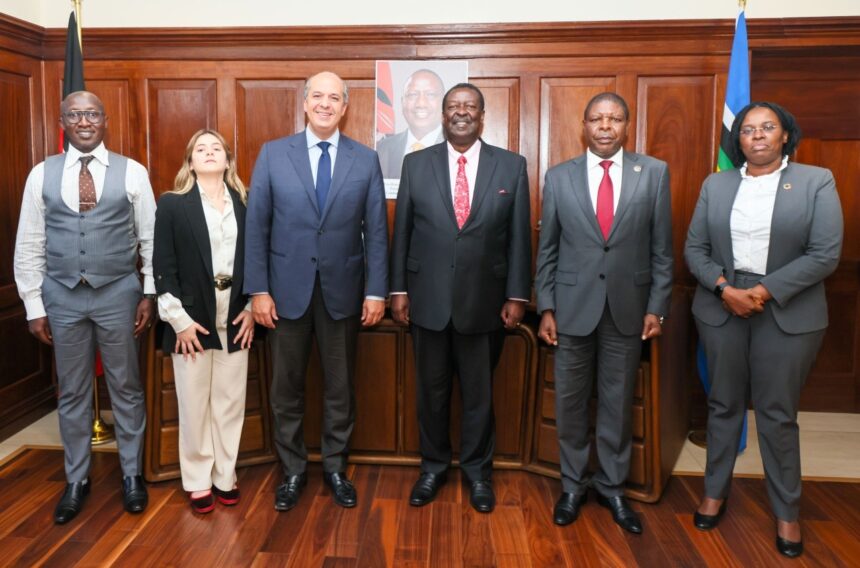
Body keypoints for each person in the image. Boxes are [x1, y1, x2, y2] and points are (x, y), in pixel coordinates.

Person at [685, 101, 842, 558]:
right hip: (721, 307)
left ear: (785, 135)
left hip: (787, 310)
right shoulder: (716, 184)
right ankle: (714, 491)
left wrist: (763, 292)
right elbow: (694, 247)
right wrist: (723, 289)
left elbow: (825, 253)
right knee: (722, 405)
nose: (757, 136)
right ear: (739, 140)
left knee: (777, 413)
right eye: (749, 129)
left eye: (767, 128)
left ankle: (787, 511)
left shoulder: (816, 181)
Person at [245, 71, 389, 512]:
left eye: (335, 98)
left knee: (340, 388)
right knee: (285, 388)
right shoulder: (273, 155)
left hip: (344, 293)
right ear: (305, 104)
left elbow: (378, 232)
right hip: (284, 296)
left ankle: (334, 468)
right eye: (318, 96)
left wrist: (377, 291)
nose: (326, 104)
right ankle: (291, 471)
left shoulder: (365, 160)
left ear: (345, 107)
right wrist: (258, 291)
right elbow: (257, 228)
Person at [13, 90, 155, 524]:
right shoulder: (42, 174)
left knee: (126, 388)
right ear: (63, 122)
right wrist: (34, 305)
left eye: (92, 113)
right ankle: (77, 479)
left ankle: (132, 475)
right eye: (75, 115)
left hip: (118, 293)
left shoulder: (133, 172)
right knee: (72, 391)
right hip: (62, 295)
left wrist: (148, 293)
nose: (84, 121)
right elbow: (29, 244)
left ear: (104, 119)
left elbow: (150, 239)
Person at [535, 92, 673, 533]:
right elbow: (548, 251)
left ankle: (613, 488)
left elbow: (662, 250)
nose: (605, 126)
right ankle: (573, 486)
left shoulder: (653, 173)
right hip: (572, 310)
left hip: (628, 311)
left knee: (616, 405)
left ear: (626, 125)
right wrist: (547, 307)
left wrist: (657, 307)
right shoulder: (559, 177)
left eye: (614, 118)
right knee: (571, 404)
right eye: (597, 119)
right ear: (584, 125)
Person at [390, 83, 531, 513]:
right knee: (430, 396)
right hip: (427, 302)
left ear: (482, 115)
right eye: (453, 107)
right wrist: (398, 289)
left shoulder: (511, 166)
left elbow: (519, 238)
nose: (461, 113)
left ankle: (477, 474)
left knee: (478, 396)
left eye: (469, 107)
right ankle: (432, 468)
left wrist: (518, 295)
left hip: (485, 303)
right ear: (443, 115)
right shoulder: (416, 164)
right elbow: (403, 234)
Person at [153, 129, 255, 514]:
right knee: (194, 402)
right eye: (201, 148)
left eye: (216, 149)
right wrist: (177, 321)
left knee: (230, 403)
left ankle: (224, 475)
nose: (209, 153)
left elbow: (257, 260)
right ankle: (197, 480)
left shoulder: (245, 204)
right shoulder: (173, 204)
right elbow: (162, 266)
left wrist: (249, 308)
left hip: (237, 315)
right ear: (190, 161)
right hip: (190, 320)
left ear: (228, 161)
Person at [377, 69, 446, 178]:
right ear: (402, 102)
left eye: (431, 95)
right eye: (413, 95)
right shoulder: (382, 149)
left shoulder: (456, 148)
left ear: (444, 102)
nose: (421, 103)